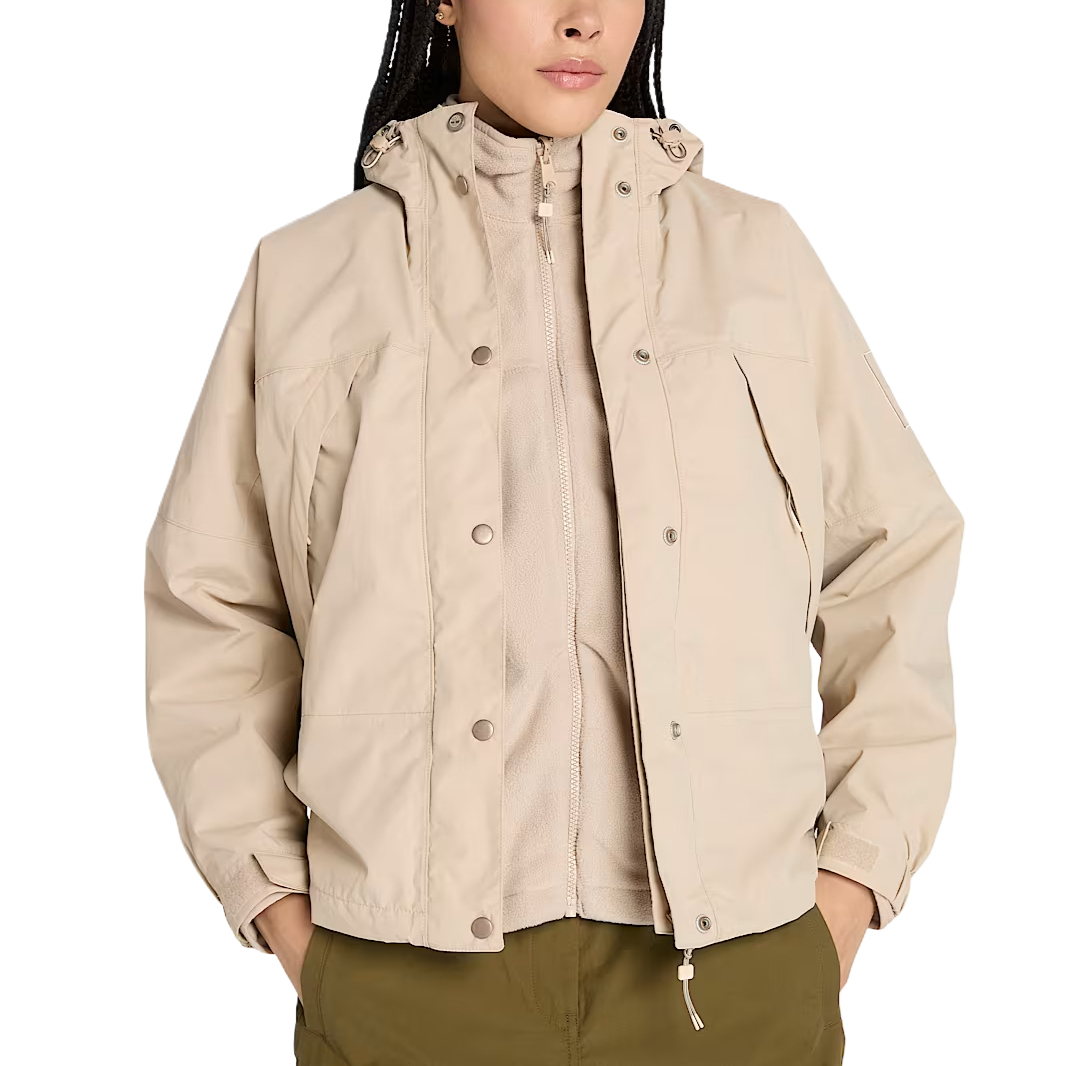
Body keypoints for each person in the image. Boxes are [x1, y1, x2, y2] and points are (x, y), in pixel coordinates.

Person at [144, 1, 964, 1062]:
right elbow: (213, 604)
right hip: (404, 980)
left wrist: (847, 887)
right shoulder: (308, 275)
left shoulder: (757, 260)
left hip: (730, 974)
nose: (583, 20)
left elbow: (891, 555)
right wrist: (283, 911)